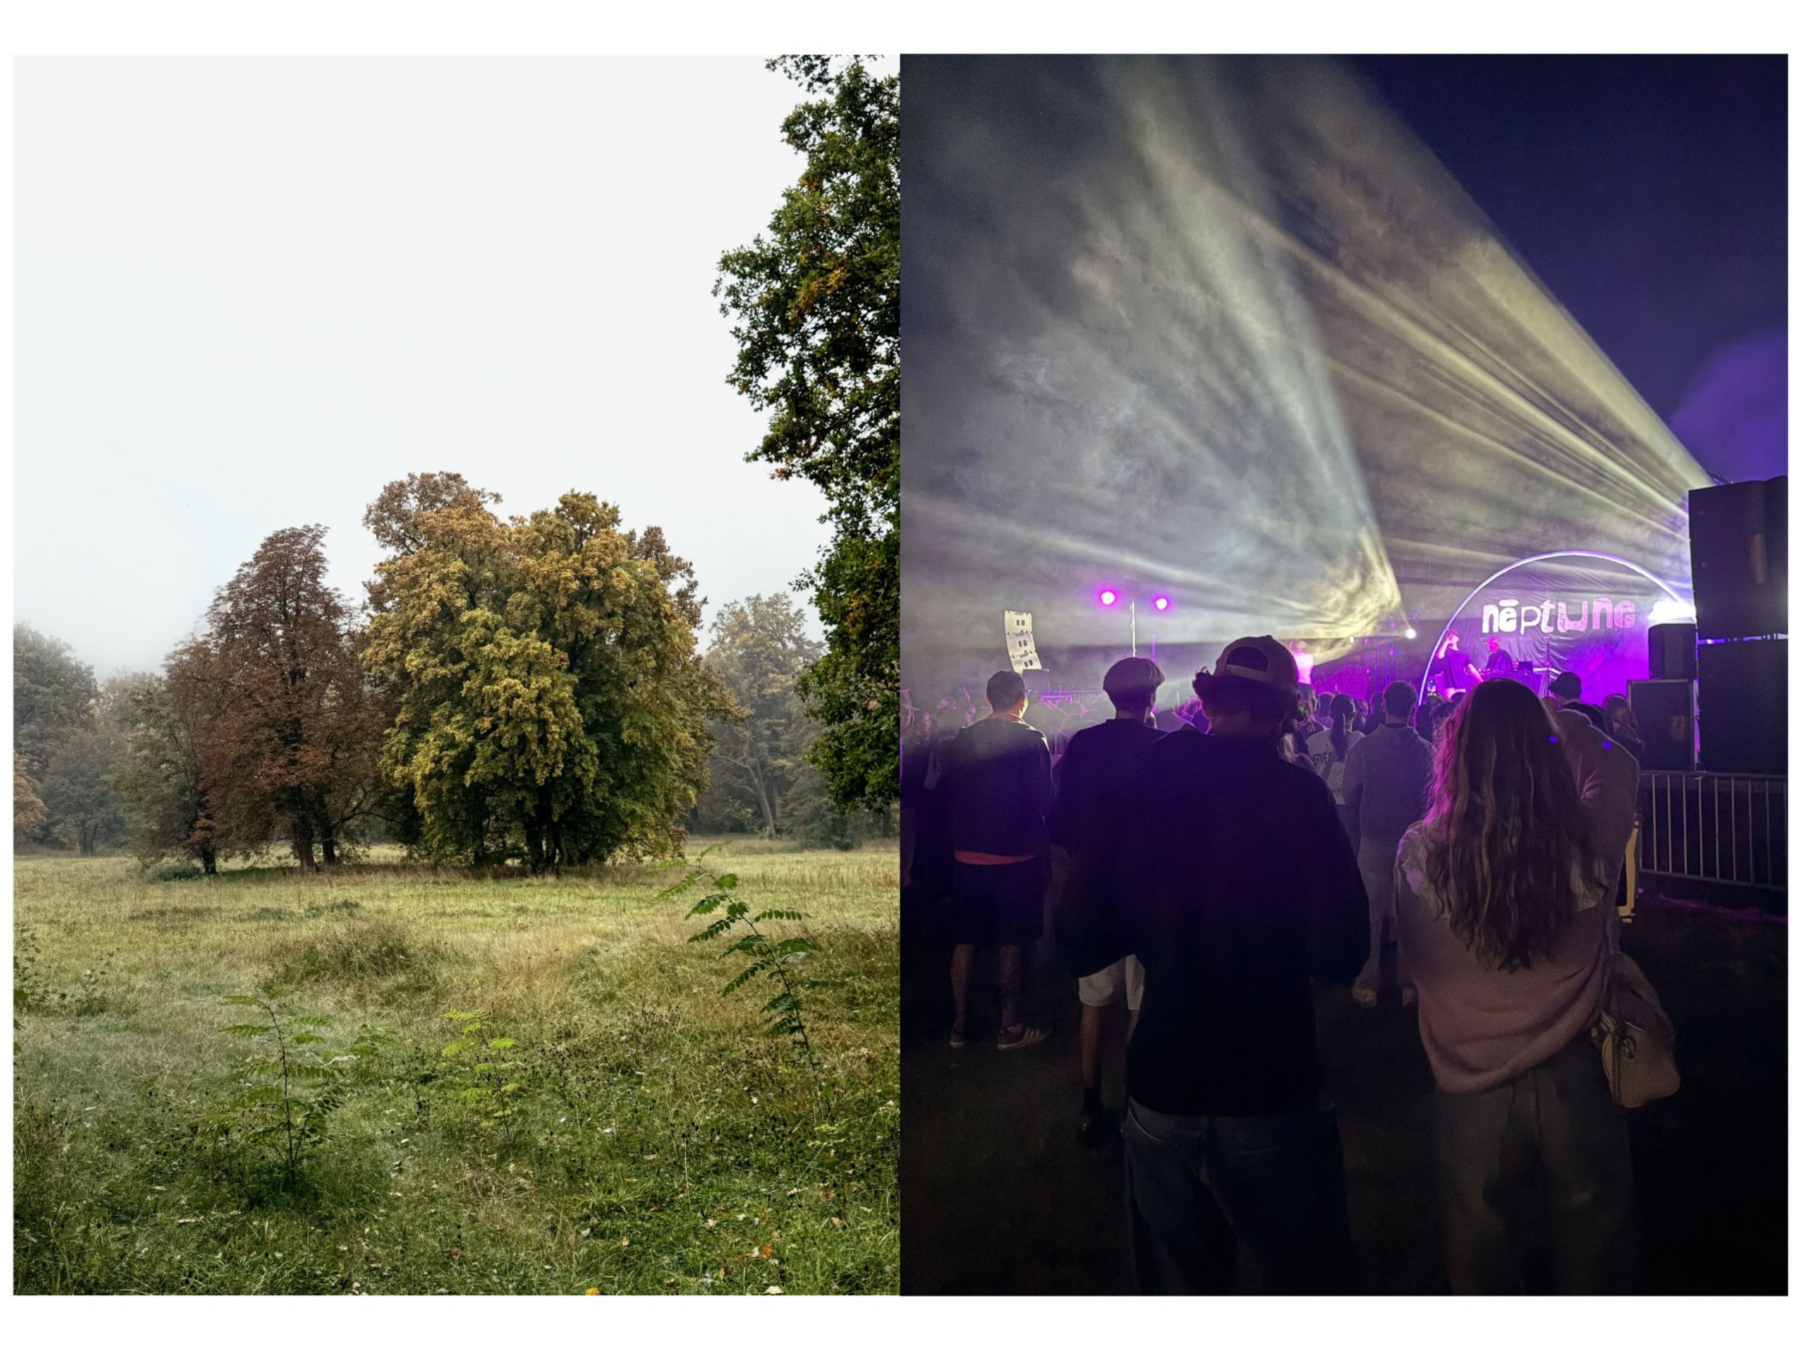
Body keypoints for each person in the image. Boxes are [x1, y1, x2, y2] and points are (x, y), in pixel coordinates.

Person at [1104, 637, 1367, 1294]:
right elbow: (1344, 950)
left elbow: (1099, 912)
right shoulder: (1300, 796)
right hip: (1269, 1083)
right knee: (1301, 1280)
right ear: (1283, 712)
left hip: (1163, 1078)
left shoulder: (1155, 773)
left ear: (1210, 698)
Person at [1395, 678, 1641, 1294]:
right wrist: (1561, 721)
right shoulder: (1587, 837)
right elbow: (1620, 764)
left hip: (1468, 1083)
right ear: (1545, 750)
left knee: (1480, 1254)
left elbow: (1421, 969)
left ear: (1457, 751)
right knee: (1595, 1249)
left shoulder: (1420, 855)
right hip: (1577, 1072)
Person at [1050, 657, 1166, 1144]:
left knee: (1093, 1002)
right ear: (1152, 699)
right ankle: (1134, 1101)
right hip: (1146, 892)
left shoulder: (1084, 744)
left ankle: (1089, 1100)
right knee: (1141, 1003)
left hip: (1092, 889)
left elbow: (1063, 818)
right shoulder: (1163, 747)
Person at [933, 670, 1054, 1051]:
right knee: (1011, 941)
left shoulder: (963, 740)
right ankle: (1008, 1026)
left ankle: (959, 1025)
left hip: (967, 855)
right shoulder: (1033, 740)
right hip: (1016, 858)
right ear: (1023, 699)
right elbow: (1045, 801)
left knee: (965, 941)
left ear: (989, 700)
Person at [1340, 680, 1434, 1007]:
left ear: (1383, 704)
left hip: (1374, 837)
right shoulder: (1426, 750)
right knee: (1410, 913)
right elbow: (1435, 796)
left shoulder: (1364, 748)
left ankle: (1368, 983)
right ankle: (1408, 984)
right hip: (1414, 841)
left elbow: (1351, 792)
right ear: (1414, 708)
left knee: (1371, 913)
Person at [1306, 693, 1364, 831]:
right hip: (1349, 808)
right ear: (1354, 715)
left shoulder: (1312, 741)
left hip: (1319, 807)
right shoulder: (1359, 740)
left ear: (1330, 714)